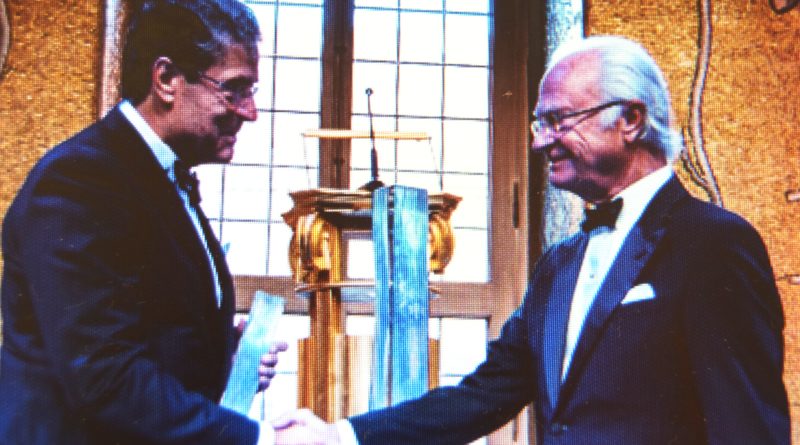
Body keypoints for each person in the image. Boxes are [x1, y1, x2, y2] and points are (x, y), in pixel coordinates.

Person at [271, 35, 791, 445]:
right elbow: (483, 395)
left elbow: (747, 427)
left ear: (630, 120)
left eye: (558, 121)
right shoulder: (559, 265)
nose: (541, 142)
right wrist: (344, 436)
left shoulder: (713, 244)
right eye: (538, 124)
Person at [0, 1, 287, 444]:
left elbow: (141, 328)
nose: (250, 112)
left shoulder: (157, 176)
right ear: (167, 79)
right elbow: (105, 377)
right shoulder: (79, 181)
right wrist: (258, 438)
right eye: (233, 90)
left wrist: (223, 354)